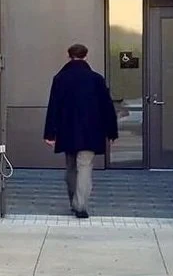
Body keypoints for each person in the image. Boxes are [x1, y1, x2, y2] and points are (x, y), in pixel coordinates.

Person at [43, 43, 118, 218]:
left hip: (67, 130)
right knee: (85, 167)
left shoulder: (60, 79)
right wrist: (112, 131)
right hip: (91, 130)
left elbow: (53, 107)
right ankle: (81, 205)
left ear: (69, 56)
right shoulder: (96, 79)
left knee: (70, 167)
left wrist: (50, 133)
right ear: (86, 56)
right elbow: (107, 107)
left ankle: (73, 202)